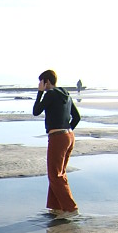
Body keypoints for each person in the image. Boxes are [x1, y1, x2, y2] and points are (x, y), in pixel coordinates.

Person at [32, 69, 81, 218]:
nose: (40, 85)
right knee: (60, 173)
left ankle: (71, 209)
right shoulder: (66, 95)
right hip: (69, 136)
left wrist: (40, 92)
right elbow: (77, 117)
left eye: (41, 82)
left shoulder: (50, 94)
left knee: (55, 175)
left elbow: (36, 111)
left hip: (58, 137)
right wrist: (67, 130)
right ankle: (57, 206)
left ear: (46, 81)